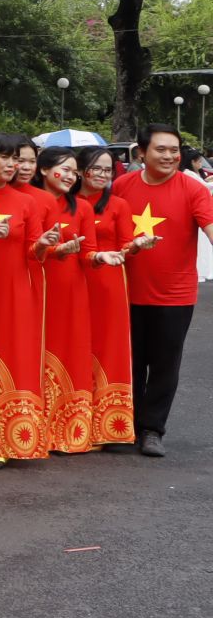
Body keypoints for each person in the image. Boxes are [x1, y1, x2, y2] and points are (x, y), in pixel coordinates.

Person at [114, 124, 213, 456]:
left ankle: (152, 429)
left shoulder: (192, 188)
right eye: (161, 149)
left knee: (164, 363)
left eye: (175, 149)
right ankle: (126, 426)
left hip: (174, 295)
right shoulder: (121, 186)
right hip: (125, 291)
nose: (170, 155)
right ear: (141, 152)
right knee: (130, 361)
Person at [0, 133, 57, 467]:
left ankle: (8, 439)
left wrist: (44, 243)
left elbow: (34, 251)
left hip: (17, 289)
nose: (12, 165)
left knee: (15, 354)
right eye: (4, 157)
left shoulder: (27, 202)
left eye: (15, 159)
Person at [34, 146, 97, 454]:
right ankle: (34, 428)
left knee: (69, 351)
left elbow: (89, 253)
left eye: (75, 171)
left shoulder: (82, 207)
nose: (71, 176)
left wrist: (107, 256)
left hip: (71, 288)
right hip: (38, 285)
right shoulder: (29, 201)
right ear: (43, 169)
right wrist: (54, 251)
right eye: (65, 169)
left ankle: (68, 430)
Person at [75, 146, 137, 448]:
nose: (101, 175)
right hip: (74, 283)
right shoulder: (67, 203)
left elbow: (126, 245)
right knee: (76, 347)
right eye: (95, 168)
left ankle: (108, 426)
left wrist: (136, 247)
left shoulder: (119, 206)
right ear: (80, 170)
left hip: (109, 284)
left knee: (108, 348)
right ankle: (74, 422)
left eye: (107, 170)